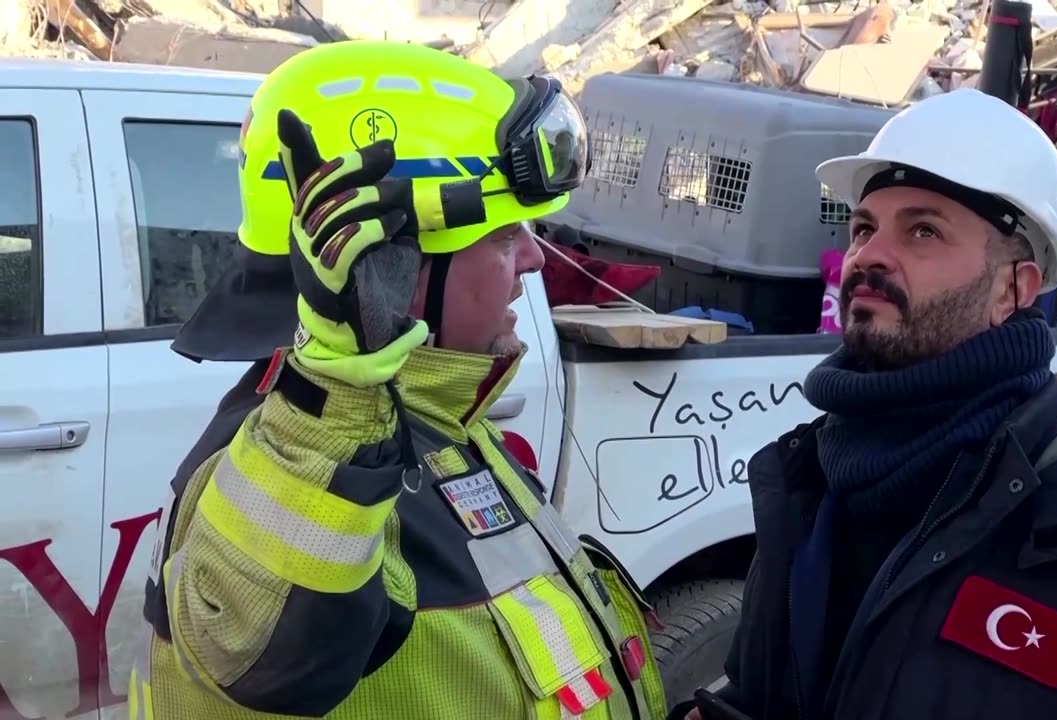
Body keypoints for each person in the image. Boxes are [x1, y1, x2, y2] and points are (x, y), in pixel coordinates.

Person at [677, 88, 1057, 720]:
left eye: (923, 231)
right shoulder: (809, 483)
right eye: (863, 228)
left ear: (1012, 290)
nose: (870, 255)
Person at [128, 40, 666, 720]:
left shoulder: (433, 425)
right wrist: (335, 411)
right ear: (391, 271)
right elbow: (263, 656)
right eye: (504, 236)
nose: (533, 256)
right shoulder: (309, 474)